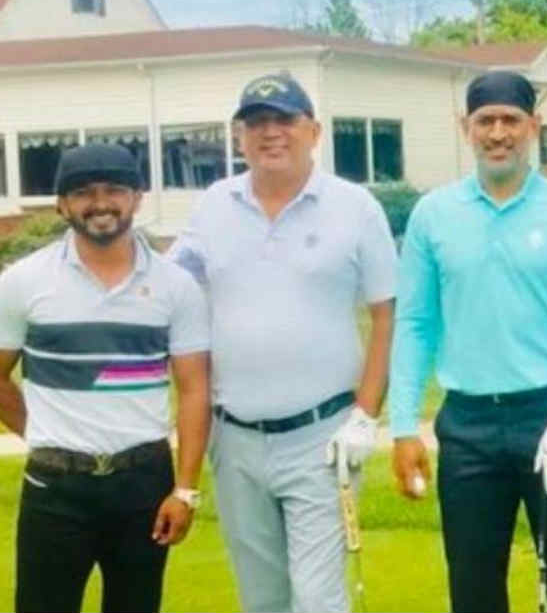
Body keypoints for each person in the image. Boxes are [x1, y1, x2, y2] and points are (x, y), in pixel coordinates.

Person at [388, 70, 547, 613]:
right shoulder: (434, 215)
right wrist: (403, 425)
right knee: (473, 586)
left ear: (534, 126)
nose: (498, 133)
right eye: (485, 121)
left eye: (511, 120)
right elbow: (416, 323)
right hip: (467, 425)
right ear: (465, 128)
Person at [168, 72, 398, 613]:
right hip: (235, 438)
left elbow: (387, 315)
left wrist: (366, 416)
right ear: (238, 137)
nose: (270, 133)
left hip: (323, 436)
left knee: (318, 599)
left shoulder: (354, 206)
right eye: (256, 123)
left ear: (313, 131)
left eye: (284, 120)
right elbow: (170, 287)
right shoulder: (213, 205)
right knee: (262, 598)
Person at [0, 143, 211, 613]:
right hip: (54, 487)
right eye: (83, 192)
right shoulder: (23, 281)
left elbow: (195, 389)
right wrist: (42, 435)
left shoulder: (176, 285)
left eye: (114, 189)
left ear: (136, 197)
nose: (100, 203)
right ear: (61, 204)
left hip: (144, 484)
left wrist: (185, 489)